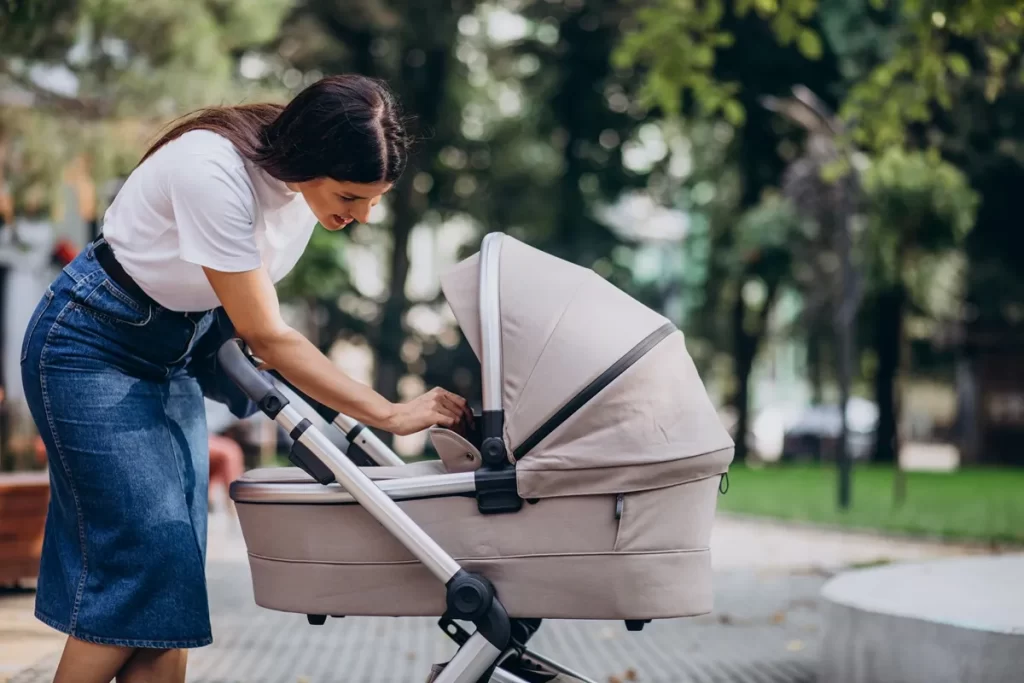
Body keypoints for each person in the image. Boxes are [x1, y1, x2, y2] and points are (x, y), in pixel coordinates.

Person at [19, 74, 473, 683]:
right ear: (311, 159)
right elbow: (267, 334)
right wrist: (388, 413)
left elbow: (238, 313)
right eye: (350, 197)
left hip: (176, 347)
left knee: (174, 566)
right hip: (91, 344)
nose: (361, 215)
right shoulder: (213, 171)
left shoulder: (301, 189)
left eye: (374, 199)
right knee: (146, 559)